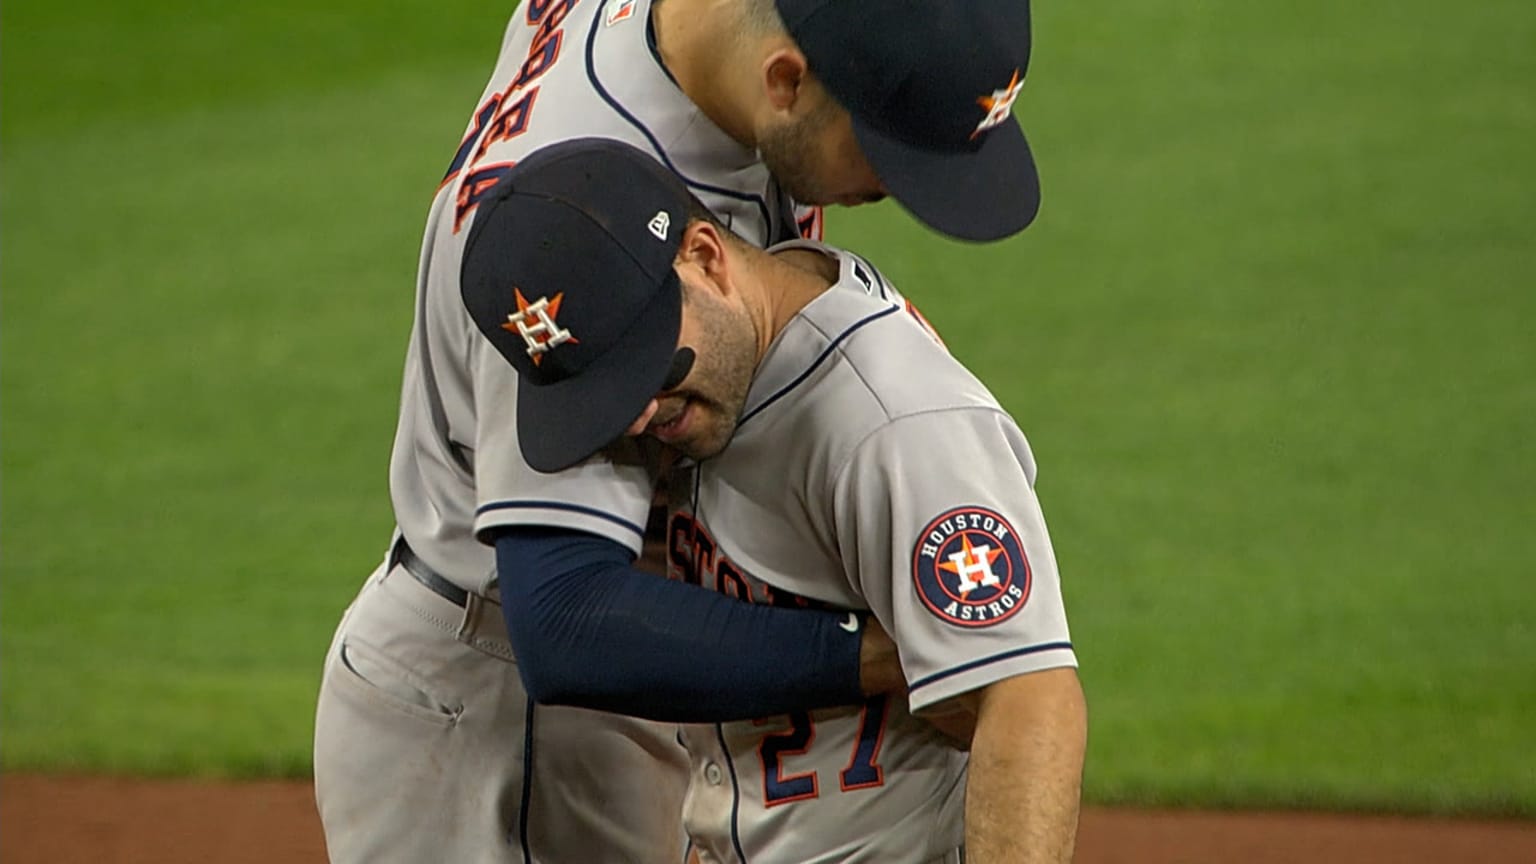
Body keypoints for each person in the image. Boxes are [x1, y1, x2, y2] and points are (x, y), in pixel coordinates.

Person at [313, 0, 1048, 861]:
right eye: (884, 148)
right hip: (504, 712)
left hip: (625, 669)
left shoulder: (691, 38)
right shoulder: (591, 238)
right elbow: (567, 617)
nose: (891, 189)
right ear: (785, 80)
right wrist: (882, 656)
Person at [462, 137, 1086, 864]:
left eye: (646, 370)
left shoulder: (892, 422)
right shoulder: (733, 373)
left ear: (704, 257)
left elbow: (1030, 698)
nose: (637, 417)